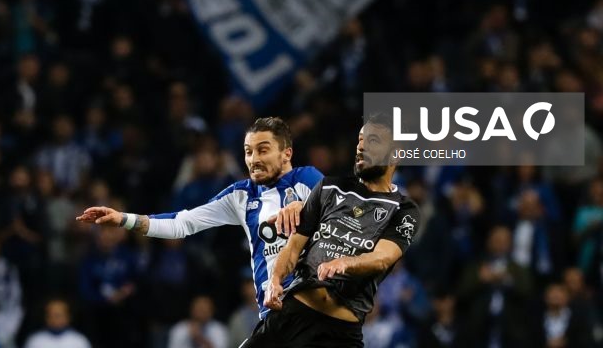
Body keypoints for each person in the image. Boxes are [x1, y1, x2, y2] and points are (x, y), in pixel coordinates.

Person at [76, 117, 324, 316]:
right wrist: (123, 219)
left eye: (263, 150)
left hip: (312, 306)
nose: (254, 160)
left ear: (287, 154)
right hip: (273, 312)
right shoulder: (241, 196)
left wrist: (305, 206)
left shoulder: (305, 179)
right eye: (248, 152)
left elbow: (347, 207)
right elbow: (182, 224)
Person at [244, 113, 420, 347]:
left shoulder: (404, 209)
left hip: (339, 333)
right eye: (360, 141)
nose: (361, 148)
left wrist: (345, 263)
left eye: (374, 141)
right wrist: (275, 280)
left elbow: (382, 258)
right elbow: (293, 247)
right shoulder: (330, 187)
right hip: (291, 316)